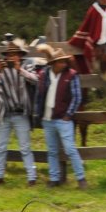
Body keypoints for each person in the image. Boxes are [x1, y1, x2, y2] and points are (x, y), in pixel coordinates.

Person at [0, 38, 39, 186]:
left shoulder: (26, 67)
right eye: (10, 55)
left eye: (15, 54)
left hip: (21, 113)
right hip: (3, 113)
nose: (12, 57)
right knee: (0, 147)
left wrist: (19, 70)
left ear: (20, 55)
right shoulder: (0, 69)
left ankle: (32, 177)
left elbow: (35, 80)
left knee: (25, 147)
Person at [34, 46, 87, 188]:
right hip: (47, 118)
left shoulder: (72, 75)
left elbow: (77, 97)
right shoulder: (44, 75)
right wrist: (38, 113)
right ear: (53, 63)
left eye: (64, 61)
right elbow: (39, 95)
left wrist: (68, 115)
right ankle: (54, 178)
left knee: (70, 149)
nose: (63, 64)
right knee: (52, 151)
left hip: (63, 119)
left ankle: (81, 178)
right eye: (60, 62)